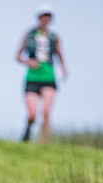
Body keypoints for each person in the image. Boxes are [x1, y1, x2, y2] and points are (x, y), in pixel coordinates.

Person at [16, 4, 68, 143]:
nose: (46, 19)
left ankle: (43, 142)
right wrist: (29, 62)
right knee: (33, 113)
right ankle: (27, 133)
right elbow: (18, 56)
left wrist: (64, 70)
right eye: (43, 16)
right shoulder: (29, 35)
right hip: (32, 77)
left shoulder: (54, 37)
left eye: (48, 17)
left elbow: (60, 54)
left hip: (49, 77)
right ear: (39, 18)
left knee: (46, 111)